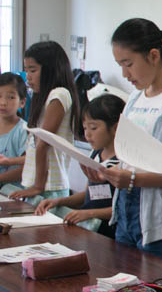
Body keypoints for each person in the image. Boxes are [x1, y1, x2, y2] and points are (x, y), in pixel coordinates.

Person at [97, 18, 162, 265]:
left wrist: (133, 179)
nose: (125, 74)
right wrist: (110, 173)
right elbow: (131, 156)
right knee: (123, 288)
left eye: (128, 64)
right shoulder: (136, 98)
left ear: (154, 56)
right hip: (126, 210)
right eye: (120, 65)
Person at [36, 94, 125, 237]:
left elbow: (122, 208)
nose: (88, 135)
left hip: (109, 232)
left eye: (94, 128)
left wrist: (89, 213)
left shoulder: (124, 162)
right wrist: (58, 201)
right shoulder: (95, 154)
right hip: (89, 228)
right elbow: (88, 194)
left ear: (115, 128)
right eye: (85, 128)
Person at [10, 42, 80, 203]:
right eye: (26, 70)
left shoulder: (59, 94)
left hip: (49, 187)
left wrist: (38, 186)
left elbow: (44, 142)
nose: (27, 75)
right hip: (36, 183)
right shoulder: (42, 96)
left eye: (33, 70)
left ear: (51, 69)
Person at [0, 73, 28, 187]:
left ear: (22, 102)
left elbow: (27, 168)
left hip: (13, 196)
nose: (3, 102)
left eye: (11, 97)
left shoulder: (23, 130)